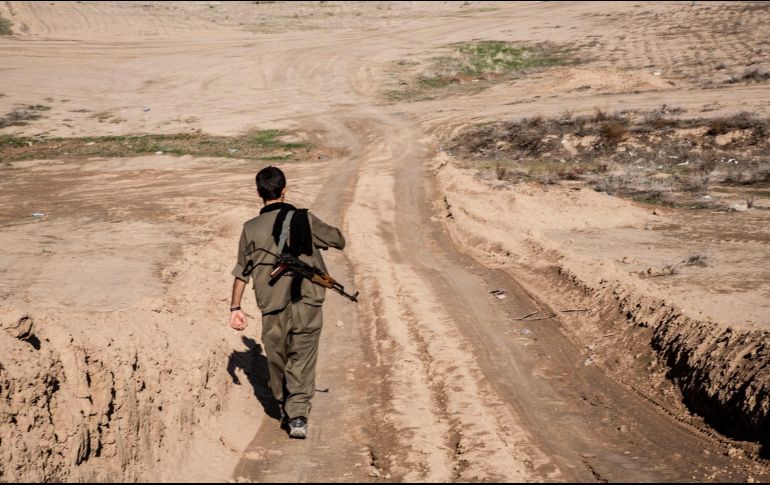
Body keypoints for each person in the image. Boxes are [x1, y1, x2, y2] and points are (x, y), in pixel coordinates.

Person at [228, 166, 346, 439]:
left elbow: (241, 272)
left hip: (271, 305)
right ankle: (297, 413)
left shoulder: (250, 229)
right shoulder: (304, 219)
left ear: (259, 193)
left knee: (278, 358)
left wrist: (235, 307)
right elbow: (338, 240)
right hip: (308, 302)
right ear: (284, 190)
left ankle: (292, 408)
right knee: (302, 359)